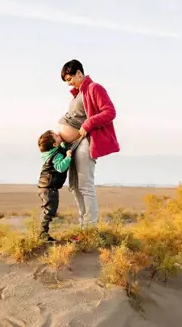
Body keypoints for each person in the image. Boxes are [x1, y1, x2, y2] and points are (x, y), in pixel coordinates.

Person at [58, 59, 120, 227]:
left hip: (85, 141)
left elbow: (110, 112)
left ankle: (89, 229)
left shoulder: (94, 88)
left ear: (79, 73)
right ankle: (82, 226)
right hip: (73, 145)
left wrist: (88, 124)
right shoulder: (78, 93)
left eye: (70, 79)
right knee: (74, 186)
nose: (69, 84)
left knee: (85, 185)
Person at [37, 130, 72, 242]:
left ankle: (42, 233)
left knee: (49, 210)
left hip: (46, 187)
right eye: (56, 136)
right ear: (54, 144)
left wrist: (62, 144)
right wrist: (68, 157)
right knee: (49, 211)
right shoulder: (55, 156)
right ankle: (42, 234)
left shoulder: (52, 152)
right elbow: (60, 167)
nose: (58, 134)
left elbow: (60, 147)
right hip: (49, 188)